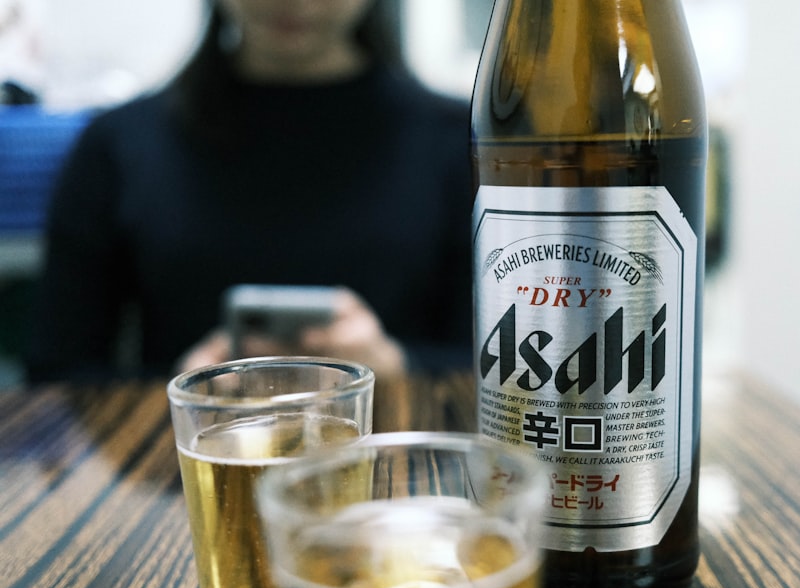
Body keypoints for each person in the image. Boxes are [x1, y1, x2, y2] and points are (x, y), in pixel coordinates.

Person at [26, 0, 473, 383]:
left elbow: (503, 365)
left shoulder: (461, 145)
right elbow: (58, 368)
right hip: (186, 464)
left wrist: (394, 365)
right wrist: (189, 387)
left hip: (398, 462)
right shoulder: (118, 145)